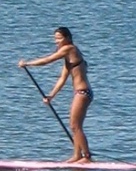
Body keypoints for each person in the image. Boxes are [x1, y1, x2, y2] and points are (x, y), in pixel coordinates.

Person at [19, 26, 93, 163]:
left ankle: (87, 157)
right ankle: (77, 156)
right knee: (74, 126)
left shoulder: (70, 48)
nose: (56, 41)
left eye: (59, 38)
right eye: (55, 39)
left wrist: (27, 64)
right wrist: (51, 96)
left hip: (83, 93)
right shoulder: (69, 58)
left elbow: (48, 60)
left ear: (68, 38)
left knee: (75, 126)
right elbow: (62, 79)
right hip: (81, 93)